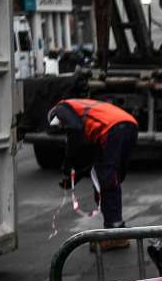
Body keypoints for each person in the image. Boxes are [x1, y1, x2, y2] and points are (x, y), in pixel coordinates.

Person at [47, 98, 139, 245]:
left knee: (107, 181)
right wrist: (72, 178)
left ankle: (115, 233)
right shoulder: (87, 115)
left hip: (113, 129)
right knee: (108, 179)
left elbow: (74, 131)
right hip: (129, 126)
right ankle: (116, 230)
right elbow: (87, 161)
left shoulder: (61, 107)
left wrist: (67, 165)